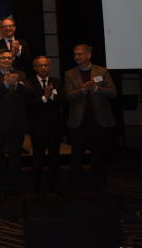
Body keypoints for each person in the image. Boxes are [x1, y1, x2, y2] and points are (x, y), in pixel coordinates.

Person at [0, 49, 33, 198]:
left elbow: (30, 93)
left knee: (15, 156)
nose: (6, 60)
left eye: (9, 58)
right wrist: (5, 84)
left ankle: (14, 186)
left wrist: (16, 85)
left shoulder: (20, 74)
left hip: (17, 122)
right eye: (3, 58)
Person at [64, 44, 117, 194]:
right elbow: (68, 96)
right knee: (76, 156)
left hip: (98, 120)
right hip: (78, 120)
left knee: (98, 155)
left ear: (89, 55)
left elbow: (113, 92)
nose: (77, 57)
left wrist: (95, 88)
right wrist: (82, 90)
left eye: (80, 54)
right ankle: (75, 186)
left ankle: (99, 186)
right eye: (75, 54)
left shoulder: (102, 71)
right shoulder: (70, 73)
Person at [26, 56, 65, 196]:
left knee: (54, 157)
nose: (43, 68)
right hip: (37, 126)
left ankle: (55, 185)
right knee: (38, 157)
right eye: (40, 66)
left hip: (55, 125)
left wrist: (51, 96)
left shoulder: (57, 81)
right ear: (35, 68)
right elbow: (29, 104)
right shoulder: (29, 83)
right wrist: (45, 97)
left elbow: (63, 100)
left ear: (49, 66)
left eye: (46, 65)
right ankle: (38, 187)